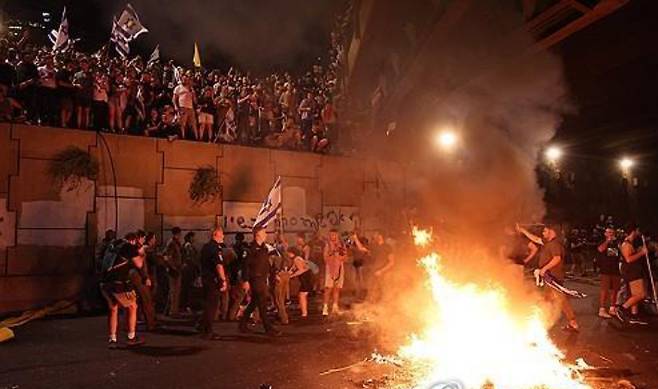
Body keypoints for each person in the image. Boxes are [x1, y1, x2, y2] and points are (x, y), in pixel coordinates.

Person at [518, 223, 579, 332]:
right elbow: (536, 239)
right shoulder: (548, 243)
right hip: (549, 278)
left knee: (561, 300)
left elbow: (557, 258)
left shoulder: (554, 244)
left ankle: (572, 322)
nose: (543, 233)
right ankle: (544, 321)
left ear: (552, 231)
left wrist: (544, 269)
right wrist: (523, 231)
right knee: (547, 299)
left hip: (553, 278)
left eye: (545, 231)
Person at [100, 232, 145, 348]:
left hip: (104, 282)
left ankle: (112, 339)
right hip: (118, 283)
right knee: (132, 306)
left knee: (113, 308)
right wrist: (141, 253)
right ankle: (131, 337)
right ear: (133, 241)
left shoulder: (113, 244)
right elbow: (139, 264)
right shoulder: (128, 247)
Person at [239, 226, 282, 336]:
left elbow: (267, 263)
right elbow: (245, 266)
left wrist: (274, 274)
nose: (266, 235)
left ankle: (242, 324)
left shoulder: (264, 248)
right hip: (255, 279)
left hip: (263, 278)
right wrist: (245, 281)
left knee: (254, 303)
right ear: (257, 235)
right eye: (264, 233)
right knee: (262, 304)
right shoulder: (250, 248)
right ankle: (268, 328)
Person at [614, 223, 648, 324]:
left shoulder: (631, 243)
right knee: (641, 294)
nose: (639, 232)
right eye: (637, 230)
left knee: (635, 295)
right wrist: (641, 253)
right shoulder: (626, 244)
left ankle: (634, 315)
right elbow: (628, 259)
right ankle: (622, 308)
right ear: (634, 231)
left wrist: (638, 251)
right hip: (632, 272)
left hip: (635, 271)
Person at [197, 228, 228, 339]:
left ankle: (202, 325)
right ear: (216, 235)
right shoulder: (215, 248)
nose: (223, 237)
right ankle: (208, 331)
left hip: (206, 279)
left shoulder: (205, 247)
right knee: (212, 306)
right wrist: (223, 280)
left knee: (207, 305)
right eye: (222, 234)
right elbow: (219, 265)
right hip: (213, 280)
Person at [597, 227, 622, 319]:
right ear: (605, 234)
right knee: (604, 289)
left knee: (615, 290)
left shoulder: (616, 243)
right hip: (605, 270)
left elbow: (618, 254)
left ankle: (612, 307)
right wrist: (607, 241)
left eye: (612, 232)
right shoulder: (602, 242)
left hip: (615, 269)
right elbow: (600, 249)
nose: (610, 234)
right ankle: (602, 309)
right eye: (608, 232)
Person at [322, 229, 348, 316]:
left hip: (339, 268)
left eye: (334, 235)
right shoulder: (328, 245)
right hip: (330, 268)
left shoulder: (342, 245)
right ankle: (325, 307)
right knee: (328, 288)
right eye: (331, 235)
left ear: (337, 235)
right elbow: (325, 258)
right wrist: (333, 252)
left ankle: (335, 307)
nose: (333, 237)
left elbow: (345, 257)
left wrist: (341, 255)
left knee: (337, 288)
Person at [287, 246, 314, 318]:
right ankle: (302, 309)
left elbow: (301, 270)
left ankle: (304, 313)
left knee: (302, 295)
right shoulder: (297, 258)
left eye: (289, 253)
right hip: (306, 278)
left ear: (292, 253)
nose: (288, 255)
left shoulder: (296, 259)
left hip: (306, 278)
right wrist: (289, 273)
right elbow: (293, 268)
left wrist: (292, 276)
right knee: (301, 295)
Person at [164, 227, 184, 317]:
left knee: (174, 291)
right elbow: (168, 256)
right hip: (174, 270)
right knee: (174, 291)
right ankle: (173, 311)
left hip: (176, 268)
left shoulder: (175, 243)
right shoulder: (172, 243)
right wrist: (173, 267)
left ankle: (169, 310)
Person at [172, 74, 197, 140]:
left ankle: (195, 138)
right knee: (182, 124)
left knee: (193, 124)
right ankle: (182, 137)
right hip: (182, 107)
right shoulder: (178, 88)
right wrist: (176, 107)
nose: (185, 80)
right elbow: (174, 99)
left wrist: (193, 93)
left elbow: (195, 101)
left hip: (190, 108)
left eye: (186, 79)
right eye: (184, 79)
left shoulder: (191, 88)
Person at [180, 232, 199, 314]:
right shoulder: (188, 246)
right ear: (190, 237)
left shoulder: (187, 245)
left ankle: (185, 305)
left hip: (188, 269)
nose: (194, 239)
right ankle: (186, 306)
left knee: (187, 288)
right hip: (188, 269)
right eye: (193, 237)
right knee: (188, 288)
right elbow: (190, 258)